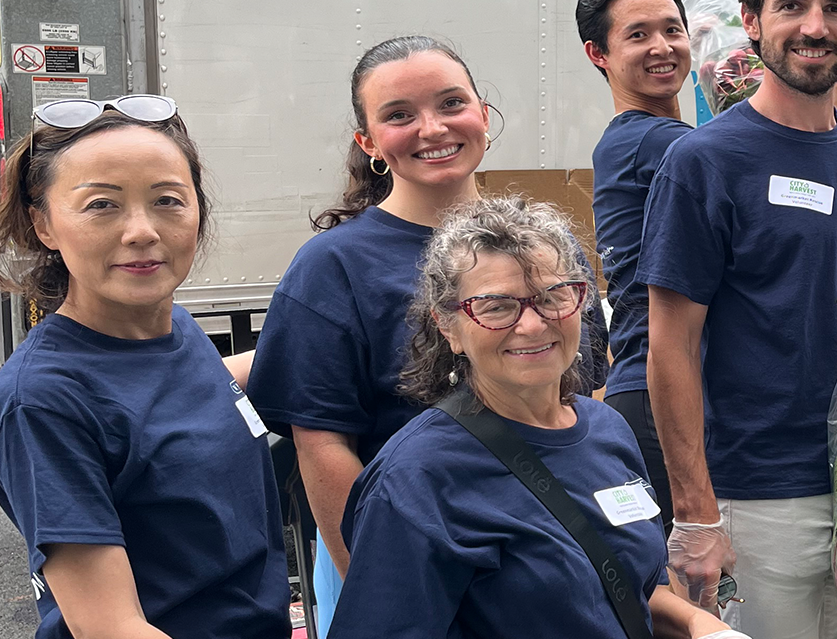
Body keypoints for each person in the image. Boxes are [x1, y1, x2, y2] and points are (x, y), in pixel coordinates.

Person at [247, 36, 605, 637]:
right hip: (404, 557)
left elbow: (581, 396)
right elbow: (323, 447)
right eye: (398, 115)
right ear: (369, 143)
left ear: (484, 116)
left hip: (550, 550)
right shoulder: (332, 268)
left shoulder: (547, 245)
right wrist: (377, 586)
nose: (432, 128)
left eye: (451, 104)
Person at [640, 0, 837, 638]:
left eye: (836, 7)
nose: (815, 26)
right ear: (753, 19)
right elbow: (669, 347)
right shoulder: (705, 160)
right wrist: (696, 514)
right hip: (757, 495)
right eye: (792, 5)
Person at [328, 196, 747, 639]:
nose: (531, 325)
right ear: (448, 327)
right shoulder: (415, 480)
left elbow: (631, 588)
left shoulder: (606, 431)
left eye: (552, 297)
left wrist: (702, 626)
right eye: (496, 306)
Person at [0, 96, 289, 639]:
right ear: (43, 225)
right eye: (102, 205)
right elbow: (112, 629)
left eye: (168, 200)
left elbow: (198, 392)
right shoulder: (43, 401)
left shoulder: (173, 330)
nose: (142, 231)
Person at [578, 0, 693, 524]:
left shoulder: (654, 140)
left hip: (646, 385)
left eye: (673, 29)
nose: (662, 47)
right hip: (659, 388)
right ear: (597, 54)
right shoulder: (656, 142)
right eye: (638, 35)